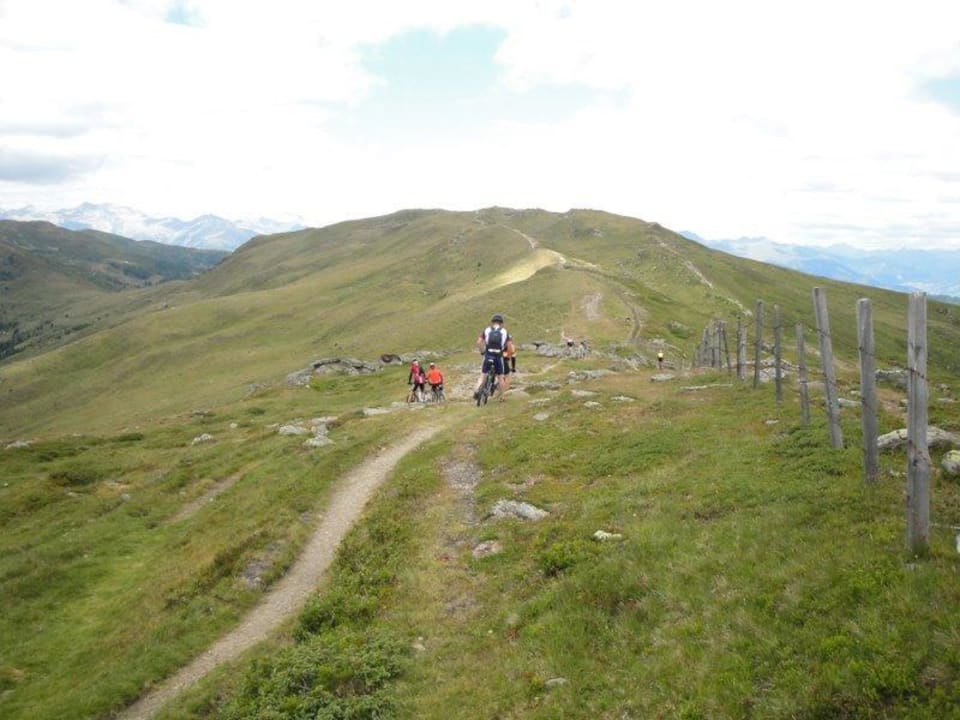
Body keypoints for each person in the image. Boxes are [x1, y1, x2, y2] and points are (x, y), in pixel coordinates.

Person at [475, 313, 509, 400]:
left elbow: (479, 342)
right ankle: (502, 397)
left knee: (483, 375)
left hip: (488, 354)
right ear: (501, 323)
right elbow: (509, 346)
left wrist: (482, 352)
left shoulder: (487, 330)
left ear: (492, 322)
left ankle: (476, 390)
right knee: (500, 377)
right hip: (498, 356)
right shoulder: (504, 332)